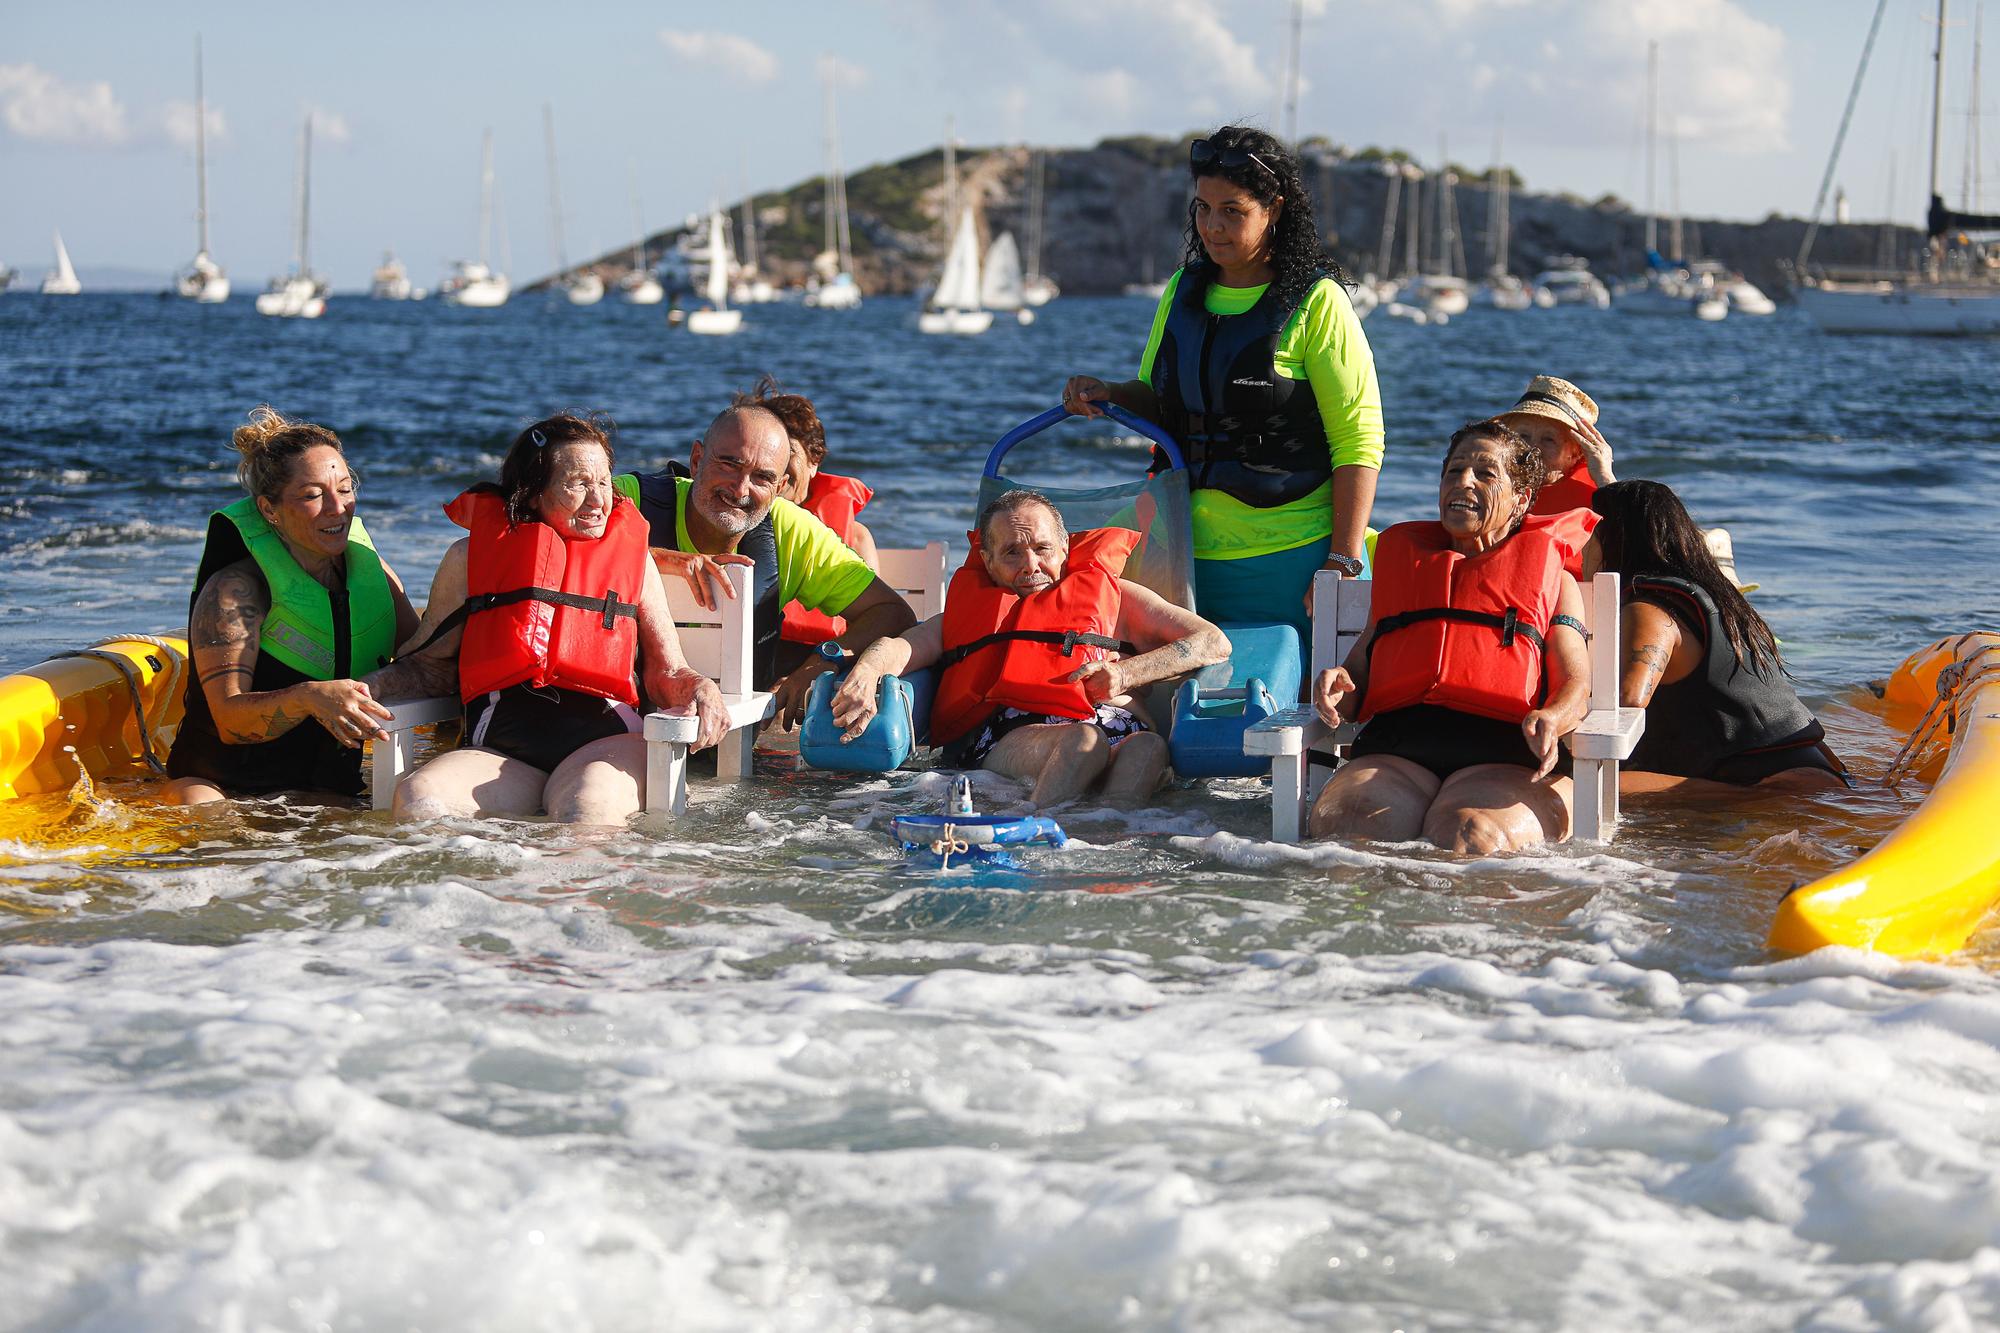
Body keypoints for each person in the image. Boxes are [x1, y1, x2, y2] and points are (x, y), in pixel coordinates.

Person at [1060, 123, 1382, 636]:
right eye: (1204, 208)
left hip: (1289, 551)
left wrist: (1342, 558)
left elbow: (1358, 438)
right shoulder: (1182, 290)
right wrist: (1111, 395)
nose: (1213, 226)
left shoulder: (1318, 302)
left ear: (1274, 209)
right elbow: (1157, 397)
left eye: (1233, 211)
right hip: (1179, 545)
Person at [374, 414, 729, 823]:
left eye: (602, 482)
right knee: (420, 801)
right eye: (578, 484)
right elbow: (431, 666)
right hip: (501, 752)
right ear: (531, 494)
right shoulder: (468, 558)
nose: (598, 500)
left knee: (583, 811)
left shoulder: (636, 565)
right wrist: (374, 686)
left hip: (606, 745)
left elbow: (667, 672)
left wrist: (701, 687)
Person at [829, 490, 1230, 808]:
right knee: (1082, 741)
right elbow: (900, 647)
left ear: (1065, 549)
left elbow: (1212, 641)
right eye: (1011, 553)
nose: (1031, 565)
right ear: (986, 561)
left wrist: (1126, 673)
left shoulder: (1116, 597)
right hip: (1015, 738)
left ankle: (1107, 835)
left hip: (1121, 730)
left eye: (1042, 549)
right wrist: (866, 672)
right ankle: (1035, 836)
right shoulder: (972, 616)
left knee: (1149, 746)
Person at [1308, 421, 1592, 853]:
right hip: (1396, 751)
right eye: (1453, 471)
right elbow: (1360, 671)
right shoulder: (1404, 562)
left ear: (1520, 499)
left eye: (1485, 473)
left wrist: (1554, 717)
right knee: (1350, 831)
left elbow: (1576, 685)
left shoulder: (1555, 580)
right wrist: (1338, 685)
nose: (1463, 482)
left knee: (1470, 838)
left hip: (1506, 754)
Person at [166, 407, 420, 805]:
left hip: (325, 791)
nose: (338, 508)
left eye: (345, 488)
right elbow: (229, 721)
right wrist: (307, 697)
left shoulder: (372, 575)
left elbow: (425, 659)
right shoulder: (236, 591)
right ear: (270, 510)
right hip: (219, 788)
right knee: (209, 820)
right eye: (312, 496)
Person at [613, 399, 917, 727]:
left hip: (734, 735)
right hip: (622, 725)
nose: (740, 489)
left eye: (761, 477)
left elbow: (892, 612)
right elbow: (552, 557)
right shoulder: (629, 501)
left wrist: (818, 664)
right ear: (697, 459)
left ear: (780, 487)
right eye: (729, 464)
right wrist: (653, 559)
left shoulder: (792, 531)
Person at [1585, 480, 1846, 791]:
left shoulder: (1649, 608)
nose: (1580, 545)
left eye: (1587, 531)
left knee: (1585, 786)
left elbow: (1626, 701)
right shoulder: (1714, 595)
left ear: (1612, 538)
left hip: (1776, 788)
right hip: (1811, 771)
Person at [755, 381, 882, 677]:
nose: (777, 468)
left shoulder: (856, 538)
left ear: (815, 461)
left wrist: (815, 669)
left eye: (790, 454)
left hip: (821, 672)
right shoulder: (734, 525)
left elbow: (875, 624)